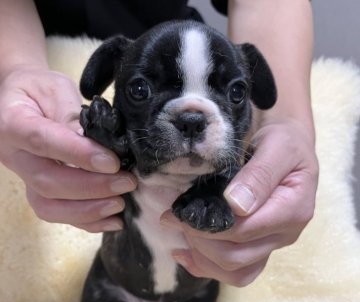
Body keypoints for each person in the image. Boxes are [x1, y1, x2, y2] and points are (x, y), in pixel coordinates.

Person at [0, 0, 318, 287]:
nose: (192, 121)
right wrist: (15, 68)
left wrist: (288, 121)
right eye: (140, 91)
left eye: (233, 93)